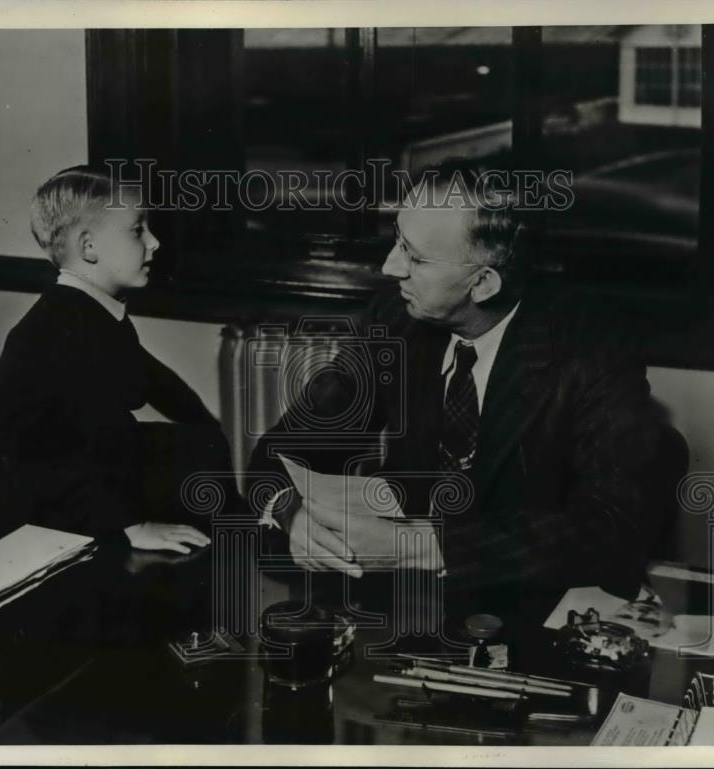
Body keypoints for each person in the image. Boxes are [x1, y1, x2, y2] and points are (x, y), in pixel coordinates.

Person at [248, 166, 673, 616]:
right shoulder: (394, 318)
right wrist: (289, 512)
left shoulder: (592, 345)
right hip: (413, 609)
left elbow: (612, 526)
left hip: (534, 609)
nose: (389, 267)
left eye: (415, 256)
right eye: (397, 240)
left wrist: (417, 546)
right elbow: (281, 449)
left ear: (483, 283)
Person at [0, 165, 217, 552]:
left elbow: (155, 384)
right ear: (89, 247)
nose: (154, 242)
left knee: (197, 451)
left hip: (80, 484)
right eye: (137, 230)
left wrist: (209, 430)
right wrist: (133, 526)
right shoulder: (62, 328)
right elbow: (75, 449)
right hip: (51, 510)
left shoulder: (89, 312)